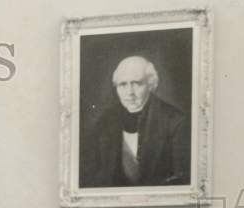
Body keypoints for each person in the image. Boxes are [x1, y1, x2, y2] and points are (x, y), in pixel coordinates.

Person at [81, 55, 190, 188]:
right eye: (122, 84)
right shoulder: (105, 121)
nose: (129, 92)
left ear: (151, 85)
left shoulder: (175, 121)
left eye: (137, 83)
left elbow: (181, 179)